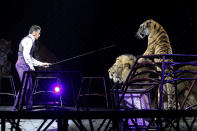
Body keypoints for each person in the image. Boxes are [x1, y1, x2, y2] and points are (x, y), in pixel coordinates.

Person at [13, 25, 52, 110]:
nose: (39, 35)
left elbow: (30, 58)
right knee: (25, 87)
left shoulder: (31, 40)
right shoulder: (28, 40)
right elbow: (26, 54)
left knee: (29, 87)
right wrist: (30, 66)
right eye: (38, 33)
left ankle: (29, 108)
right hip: (22, 64)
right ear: (34, 32)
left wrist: (42, 64)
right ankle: (16, 108)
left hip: (25, 64)